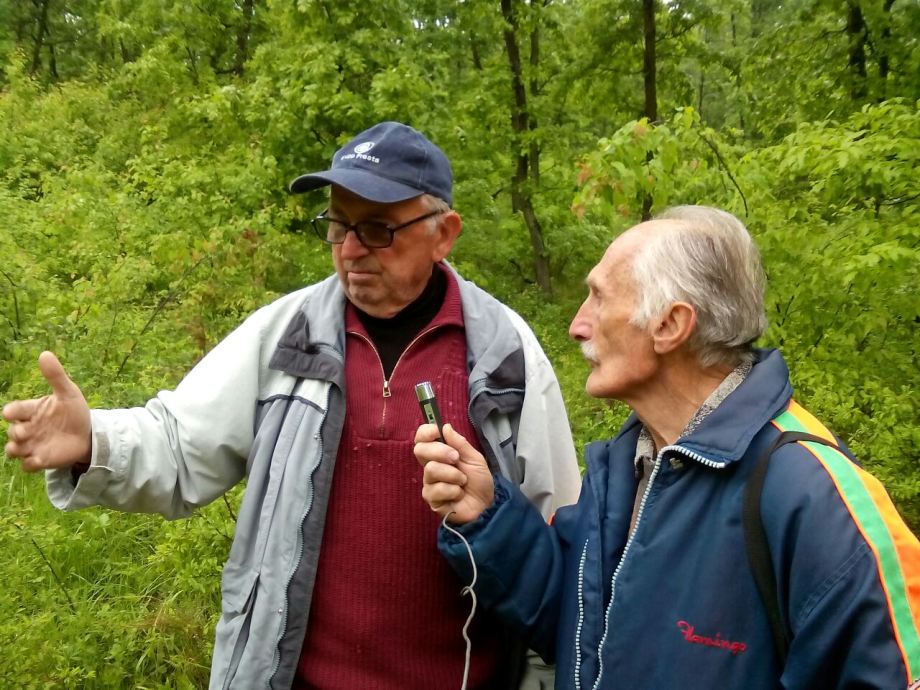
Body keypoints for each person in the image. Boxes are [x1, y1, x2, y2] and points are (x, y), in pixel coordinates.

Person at [2, 121, 582, 690]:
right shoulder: (287, 335)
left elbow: (557, 536)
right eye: (338, 225)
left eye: (377, 229)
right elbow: (181, 444)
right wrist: (91, 442)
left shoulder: (504, 353)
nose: (351, 250)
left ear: (444, 232)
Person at [414, 205, 920, 690]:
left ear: (670, 325)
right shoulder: (624, 467)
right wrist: (485, 514)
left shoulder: (815, 495)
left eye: (598, 297)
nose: (576, 325)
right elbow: (575, 623)